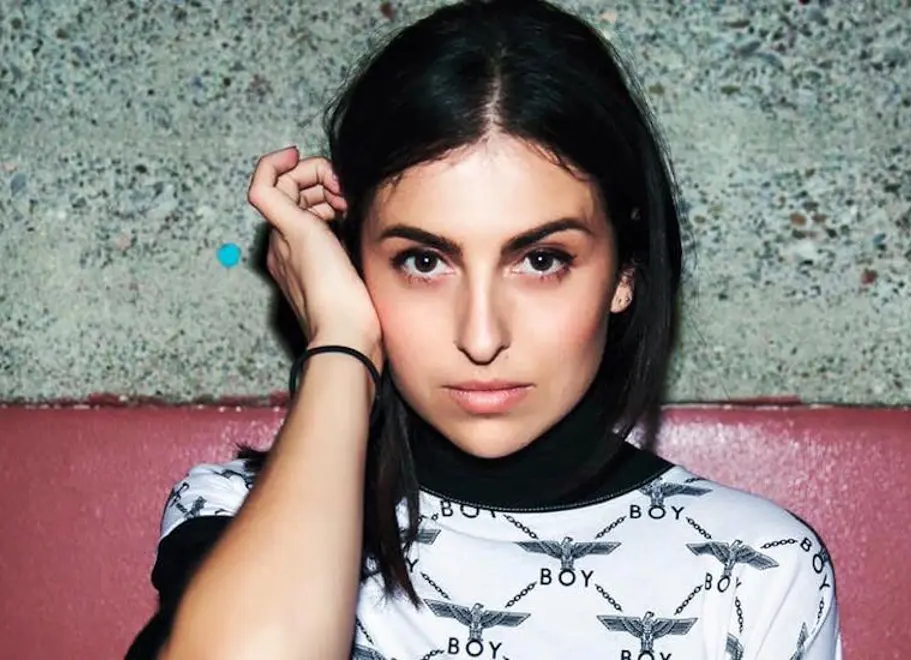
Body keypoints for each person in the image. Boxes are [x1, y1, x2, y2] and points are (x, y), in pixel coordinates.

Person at [126, 1, 841, 658]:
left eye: (541, 260)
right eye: (424, 261)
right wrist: (341, 340)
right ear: (353, 266)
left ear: (625, 271)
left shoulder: (754, 570)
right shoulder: (236, 515)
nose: (481, 336)